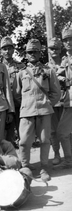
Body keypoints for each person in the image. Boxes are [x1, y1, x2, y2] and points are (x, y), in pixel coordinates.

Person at [13, 39, 61, 182]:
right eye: (29, 52)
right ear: (26, 54)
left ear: (40, 53)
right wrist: (26, 104)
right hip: (27, 112)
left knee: (45, 140)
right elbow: (16, 93)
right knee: (24, 142)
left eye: (35, 52)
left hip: (44, 111)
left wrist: (47, 104)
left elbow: (56, 92)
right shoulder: (21, 73)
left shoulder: (48, 71)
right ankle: (26, 167)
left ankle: (44, 168)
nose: (32, 54)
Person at [0, 36, 25, 147]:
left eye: (9, 48)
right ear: (0, 51)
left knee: (23, 135)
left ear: (13, 50)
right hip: (5, 105)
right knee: (6, 137)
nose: (7, 51)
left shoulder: (21, 66)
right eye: (4, 49)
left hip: (20, 104)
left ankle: (24, 161)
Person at [53, 27, 72, 169]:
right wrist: (62, 79)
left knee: (63, 132)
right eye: (66, 40)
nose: (68, 42)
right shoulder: (65, 60)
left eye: (70, 39)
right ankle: (69, 160)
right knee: (62, 132)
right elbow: (58, 76)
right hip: (69, 101)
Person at [46, 37, 64, 165]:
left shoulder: (66, 63)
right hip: (52, 103)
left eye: (57, 48)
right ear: (48, 50)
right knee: (53, 131)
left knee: (67, 130)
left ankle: (69, 154)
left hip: (65, 101)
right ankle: (56, 154)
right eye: (52, 48)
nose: (54, 51)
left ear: (60, 49)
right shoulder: (45, 67)